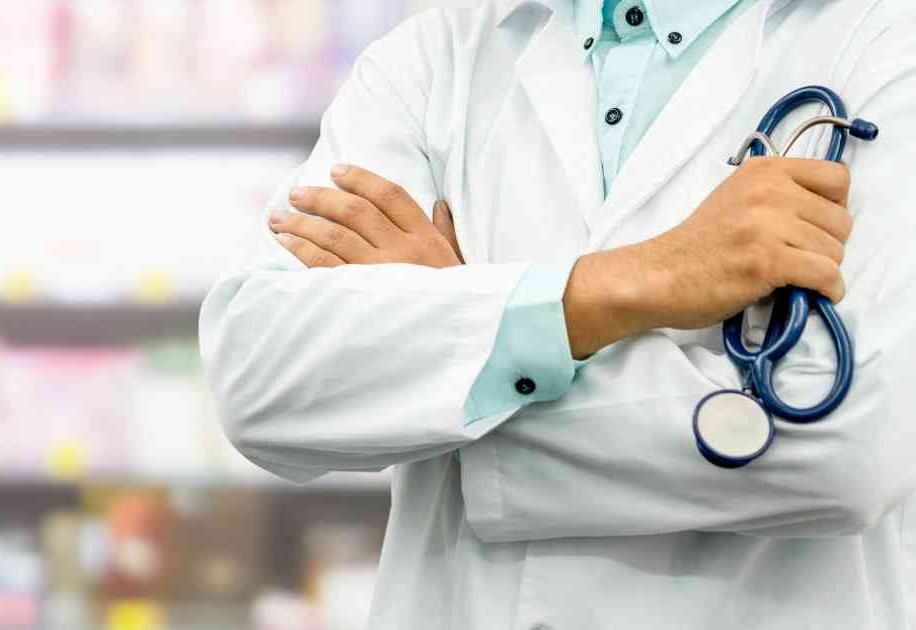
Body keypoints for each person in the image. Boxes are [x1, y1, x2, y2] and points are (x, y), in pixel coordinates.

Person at [199, 0, 916, 627]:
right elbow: (261, 374)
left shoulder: (886, 46)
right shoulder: (431, 63)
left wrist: (460, 356)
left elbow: (851, 449)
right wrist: (636, 280)